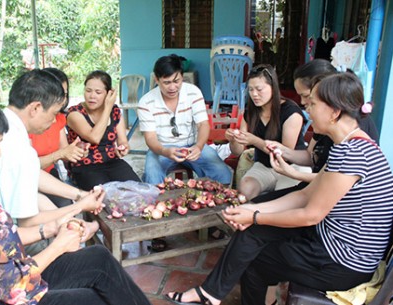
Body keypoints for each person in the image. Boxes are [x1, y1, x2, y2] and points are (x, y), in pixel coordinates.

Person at [166, 72, 393, 305]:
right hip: (330, 241)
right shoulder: (349, 145)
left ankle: (216, 294)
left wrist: (255, 216)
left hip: (342, 261)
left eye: (313, 104)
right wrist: (253, 211)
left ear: (335, 112)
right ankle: (210, 294)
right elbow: (305, 194)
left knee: (255, 260)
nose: (308, 110)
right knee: (253, 231)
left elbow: (310, 214)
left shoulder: (352, 154)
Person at [0, 96, 152, 305]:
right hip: (1, 295)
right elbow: (12, 288)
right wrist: (59, 245)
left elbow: (2, 235)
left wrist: (52, 228)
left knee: (98, 258)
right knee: (97, 298)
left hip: (14, 276)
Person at [0, 69, 100, 254]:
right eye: (54, 113)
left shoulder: (3, 123)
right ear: (35, 108)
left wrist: (80, 194)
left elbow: (32, 174)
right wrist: (79, 207)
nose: (55, 120)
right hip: (5, 243)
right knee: (94, 258)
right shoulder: (18, 148)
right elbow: (28, 222)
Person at [251, 59, 379, 203]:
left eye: (308, 98)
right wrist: (281, 150)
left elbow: (315, 208)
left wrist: (292, 173)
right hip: (315, 189)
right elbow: (310, 157)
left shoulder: (351, 140)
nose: (303, 103)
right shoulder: (324, 124)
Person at [137, 54, 232, 185]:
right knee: (152, 179)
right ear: (156, 80)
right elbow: (150, 138)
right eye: (166, 82)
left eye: (177, 81)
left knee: (223, 174)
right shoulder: (146, 102)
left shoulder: (193, 92)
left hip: (192, 146)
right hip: (162, 148)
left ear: (182, 77)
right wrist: (165, 151)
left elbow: (203, 124)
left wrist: (198, 146)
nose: (172, 87)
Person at [225, 64, 306, 200]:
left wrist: (254, 140)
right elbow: (238, 151)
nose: (254, 94)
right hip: (264, 166)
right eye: (250, 90)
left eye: (259, 89)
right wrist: (233, 139)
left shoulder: (291, 112)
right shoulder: (250, 112)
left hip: (292, 167)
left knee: (281, 200)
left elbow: (285, 156)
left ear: (273, 88)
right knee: (244, 191)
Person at [66, 70, 141, 191]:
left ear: (108, 93)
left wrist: (123, 148)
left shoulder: (115, 111)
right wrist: (107, 108)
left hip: (112, 162)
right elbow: (94, 138)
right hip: (85, 166)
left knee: (136, 190)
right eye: (88, 91)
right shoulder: (74, 113)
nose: (92, 96)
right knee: (104, 196)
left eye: (98, 92)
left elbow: (123, 141)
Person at [29, 67, 89, 207]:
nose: (62, 100)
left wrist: (76, 152)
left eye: (65, 93)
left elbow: (64, 151)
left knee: (65, 204)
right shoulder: (28, 125)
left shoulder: (59, 118)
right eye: (57, 94)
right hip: (31, 178)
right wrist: (62, 153)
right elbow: (29, 169)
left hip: (48, 173)